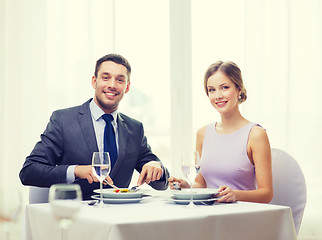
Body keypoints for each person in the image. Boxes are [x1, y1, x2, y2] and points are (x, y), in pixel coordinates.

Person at [20, 53, 169, 200]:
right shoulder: (63, 120)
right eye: (105, 77)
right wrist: (77, 171)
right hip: (74, 216)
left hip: (120, 217)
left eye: (120, 80)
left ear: (127, 87)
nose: (112, 85)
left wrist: (157, 167)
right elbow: (29, 171)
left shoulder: (135, 129)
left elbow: (160, 183)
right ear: (94, 81)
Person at [169, 61, 273, 203]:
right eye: (212, 90)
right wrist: (186, 185)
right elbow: (202, 185)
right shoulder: (203, 134)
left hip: (243, 215)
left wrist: (236, 195)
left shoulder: (256, 134)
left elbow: (266, 194)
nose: (218, 96)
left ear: (239, 89)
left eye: (224, 87)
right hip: (210, 214)